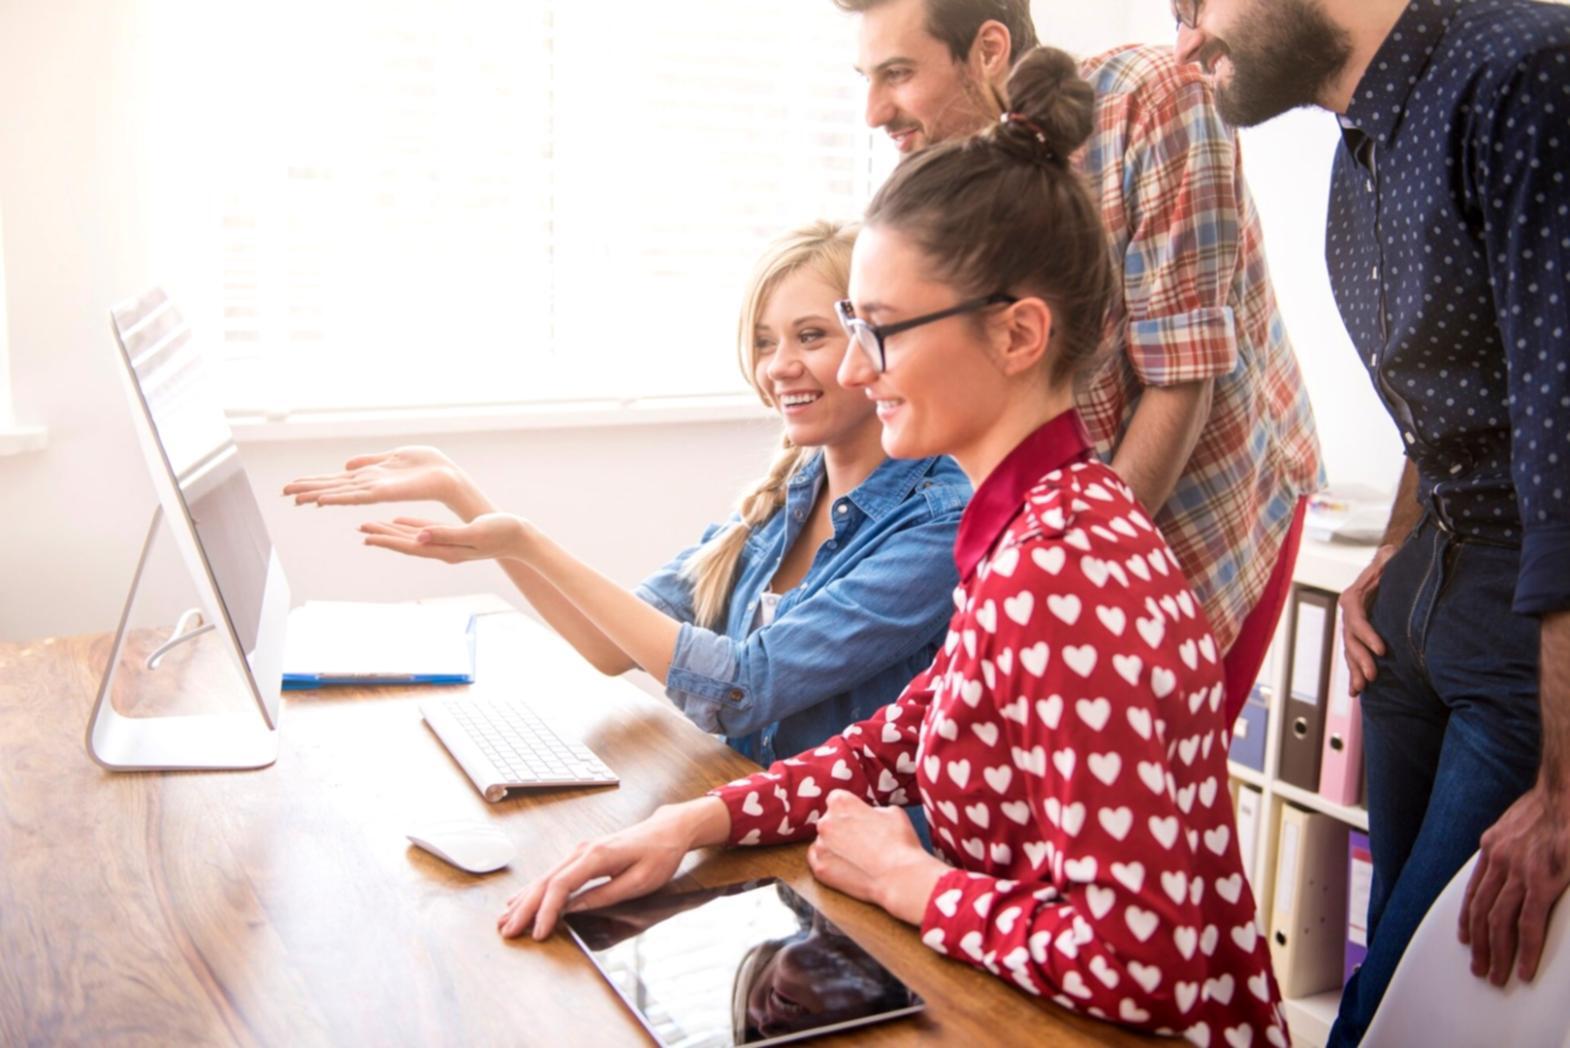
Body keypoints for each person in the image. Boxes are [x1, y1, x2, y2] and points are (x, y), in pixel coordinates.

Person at [498, 49, 1288, 1047]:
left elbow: (1144, 961)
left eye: (882, 331)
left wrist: (913, 882)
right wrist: (689, 824)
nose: (858, 370)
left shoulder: (1064, 568)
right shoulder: (1030, 521)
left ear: (1017, 335)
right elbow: (902, 737)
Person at [1171, 0, 1570, 1042]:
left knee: (1396, 1011)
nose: (1185, 40)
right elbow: (1454, 396)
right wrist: (1397, 548)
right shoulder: (1361, 153)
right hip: (1420, 602)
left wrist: (1566, 791)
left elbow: (1566, 439)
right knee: (1399, 981)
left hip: (1523, 632)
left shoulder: (1527, 73)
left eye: (1191, 3)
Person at [282, 221, 971, 766]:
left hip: (849, 865)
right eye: (764, 342)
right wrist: (466, 498)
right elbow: (611, 645)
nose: (779, 366)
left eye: (811, 336)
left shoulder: (940, 522)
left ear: (870, 341)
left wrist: (524, 539)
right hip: (748, 827)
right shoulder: (787, 494)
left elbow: (742, 688)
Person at [832, 0, 1323, 723]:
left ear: (989, 49)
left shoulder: (1151, 99)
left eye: (899, 74)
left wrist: (1073, 584)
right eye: (866, 78)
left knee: (1140, 781)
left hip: (1208, 498)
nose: (875, 110)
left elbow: (1180, 379)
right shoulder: (950, 182)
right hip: (1066, 525)